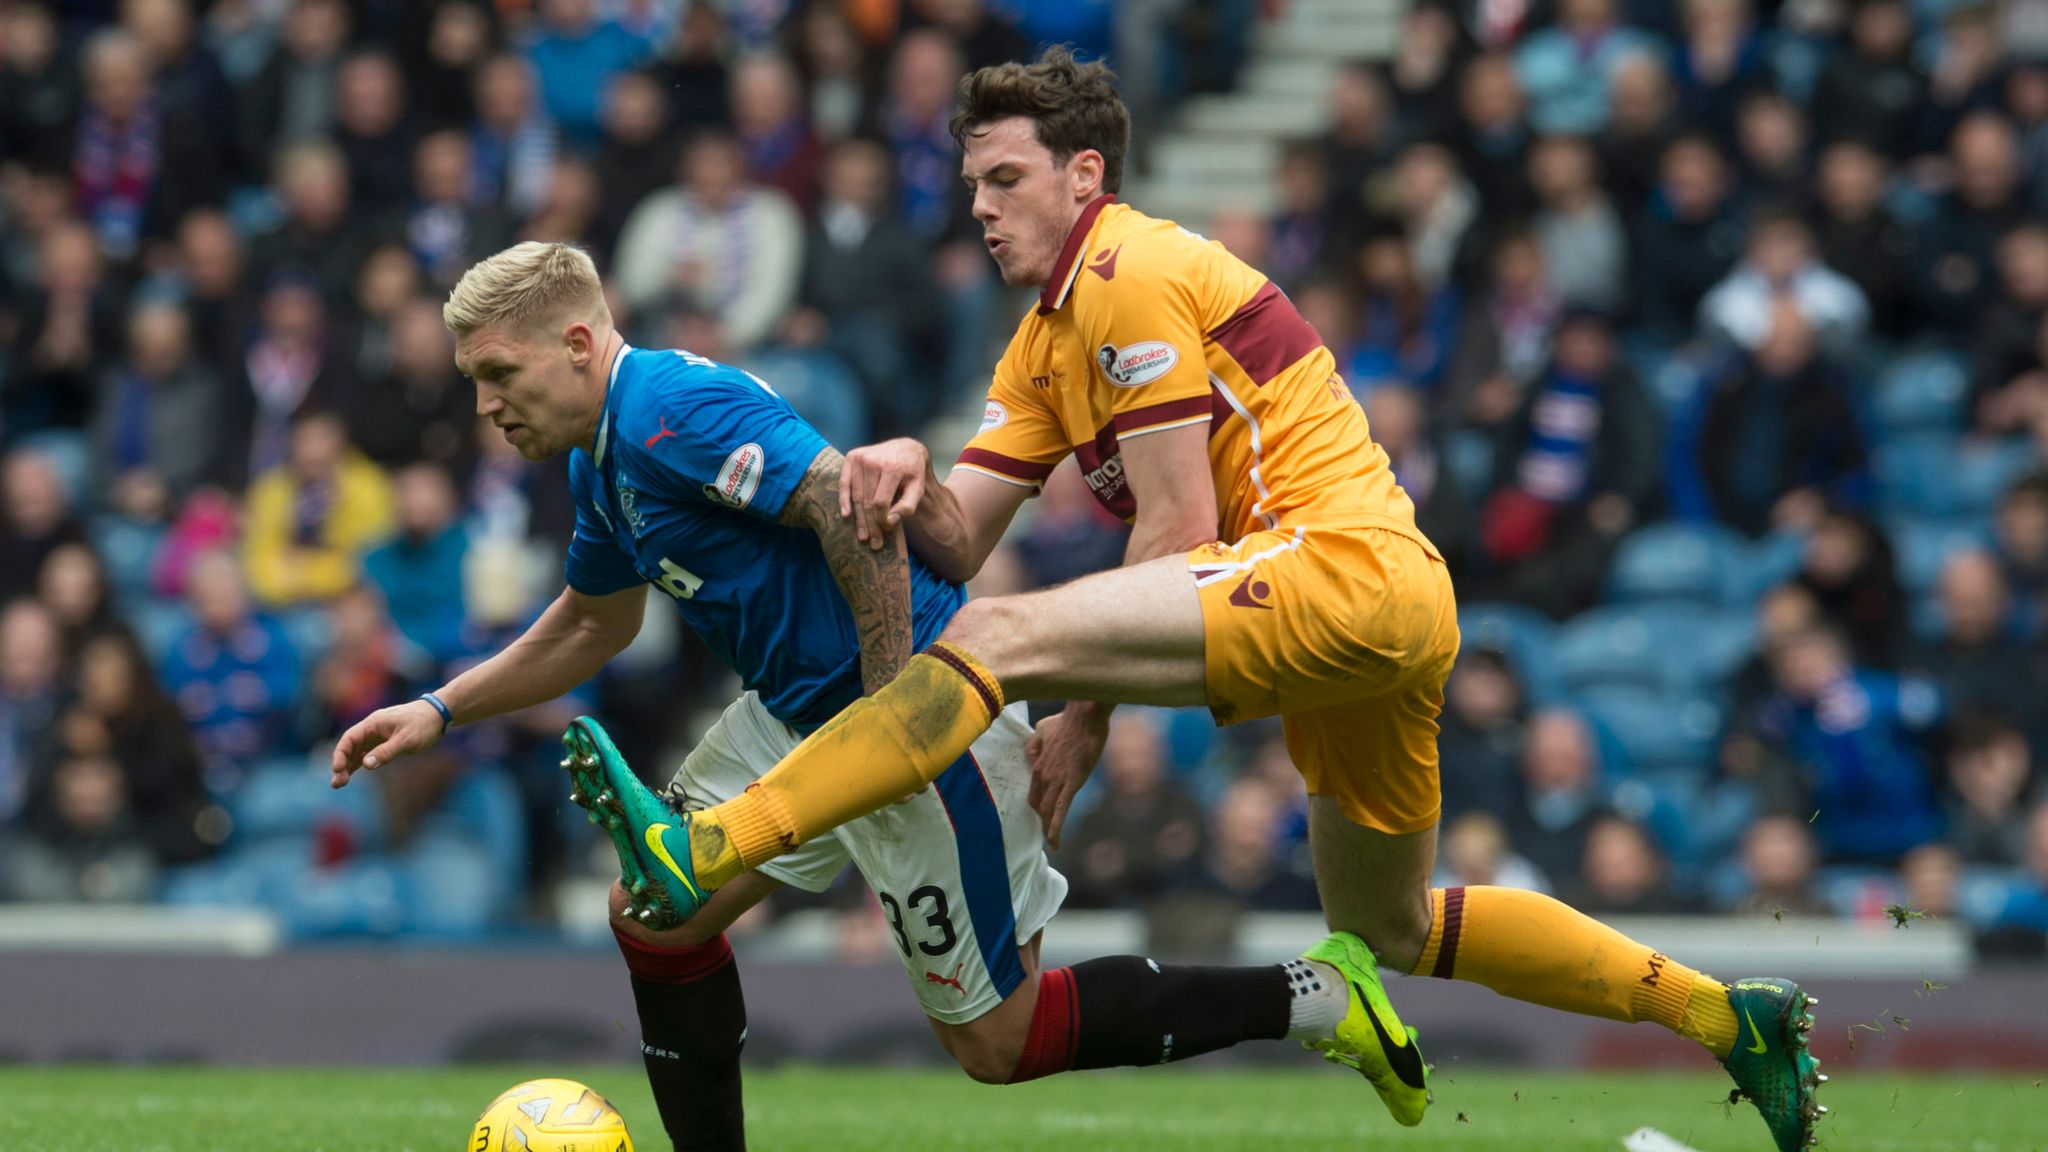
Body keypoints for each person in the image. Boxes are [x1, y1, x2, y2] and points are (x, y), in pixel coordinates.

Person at [568, 49, 1825, 1150]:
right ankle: (1722, 1012)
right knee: (1385, 925)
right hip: (1360, 620)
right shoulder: (1041, 341)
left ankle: (715, 842)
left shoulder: (1126, 268)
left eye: (1005, 180)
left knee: (1000, 641)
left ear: (1084, 177)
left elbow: (1181, 526)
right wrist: (893, 466)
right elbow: (955, 539)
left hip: (1339, 569)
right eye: (968, 185)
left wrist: (1084, 715)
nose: (981, 208)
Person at [330, 242, 1394, 1150]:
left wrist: (898, 719)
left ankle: (1308, 999)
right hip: (795, 715)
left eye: (497, 373)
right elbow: (590, 622)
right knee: (655, 913)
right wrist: (438, 710)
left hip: (924, 704)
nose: (482, 404)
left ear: (574, 345)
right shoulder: (597, 456)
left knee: (1000, 1042)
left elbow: (851, 510)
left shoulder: (668, 410)